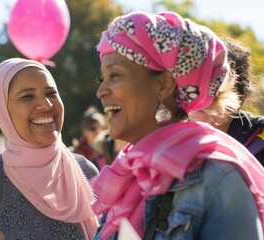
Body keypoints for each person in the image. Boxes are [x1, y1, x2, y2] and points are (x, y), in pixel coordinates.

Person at [91, 11, 264, 240]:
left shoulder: (219, 180)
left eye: (115, 75)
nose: (101, 91)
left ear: (163, 85)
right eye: (102, 78)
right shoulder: (127, 173)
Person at [0, 58, 99, 239]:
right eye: (27, 96)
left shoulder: (86, 172)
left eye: (51, 93)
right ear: (3, 109)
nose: (46, 104)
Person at [189, 37, 264, 164]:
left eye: (216, 92)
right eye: (194, 88)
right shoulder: (164, 133)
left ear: (241, 97)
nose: (202, 100)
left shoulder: (259, 139)